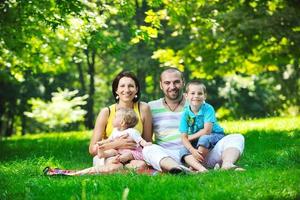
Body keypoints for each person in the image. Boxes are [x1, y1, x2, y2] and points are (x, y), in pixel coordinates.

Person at [44, 71, 152, 176]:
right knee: (115, 167)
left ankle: (116, 172)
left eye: (131, 86)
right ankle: (76, 174)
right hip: (109, 155)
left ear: (137, 89)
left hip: (132, 155)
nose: (127, 90)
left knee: (141, 166)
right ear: (116, 90)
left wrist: (131, 154)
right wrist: (117, 144)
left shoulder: (143, 108)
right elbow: (92, 149)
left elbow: (147, 143)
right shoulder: (107, 112)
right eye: (122, 86)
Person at [142, 68, 245, 174]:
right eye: (167, 83)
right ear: (161, 85)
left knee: (237, 137)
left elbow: (209, 131)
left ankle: (227, 164)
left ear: (183, 83)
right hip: (169, 156)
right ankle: (178, 169)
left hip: (200, 154)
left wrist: (196, 149)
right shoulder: (151, 107)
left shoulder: (196, 101)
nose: (172, 87)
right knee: (148, 149)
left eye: (176, 82)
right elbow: (147, 140)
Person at [179, 80, 224, 172]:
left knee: (204, 138)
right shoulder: (185, 114)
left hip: (214, 134)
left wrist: (189, 138)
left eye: (200, 93)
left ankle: (194, 167)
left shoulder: (208, 108)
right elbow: (183, 137)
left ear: (204, 96)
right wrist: (192, 150)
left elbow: (207, 131)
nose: (196, 96)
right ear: (186, 96)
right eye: (192, 93)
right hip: (197, 139)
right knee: (183, 150)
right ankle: (202, 169)